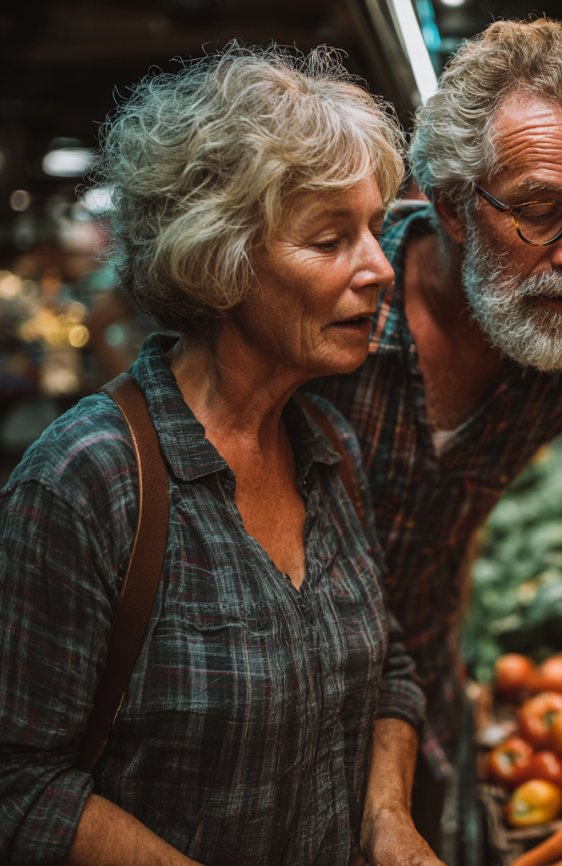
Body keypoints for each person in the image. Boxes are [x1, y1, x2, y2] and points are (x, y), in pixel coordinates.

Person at [0, 46, 439, 866]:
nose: (380, 268)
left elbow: (390, 670)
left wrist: (387, 816)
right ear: (221, 258)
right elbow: (16, 786)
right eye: (329, 239)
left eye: (375, 230)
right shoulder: (88, 481)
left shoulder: (328, 451)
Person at [306, 18, 562, 845]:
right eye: (538, 211)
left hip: (421, 714)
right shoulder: (322, 317)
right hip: (268, 730)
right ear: (455, 206)